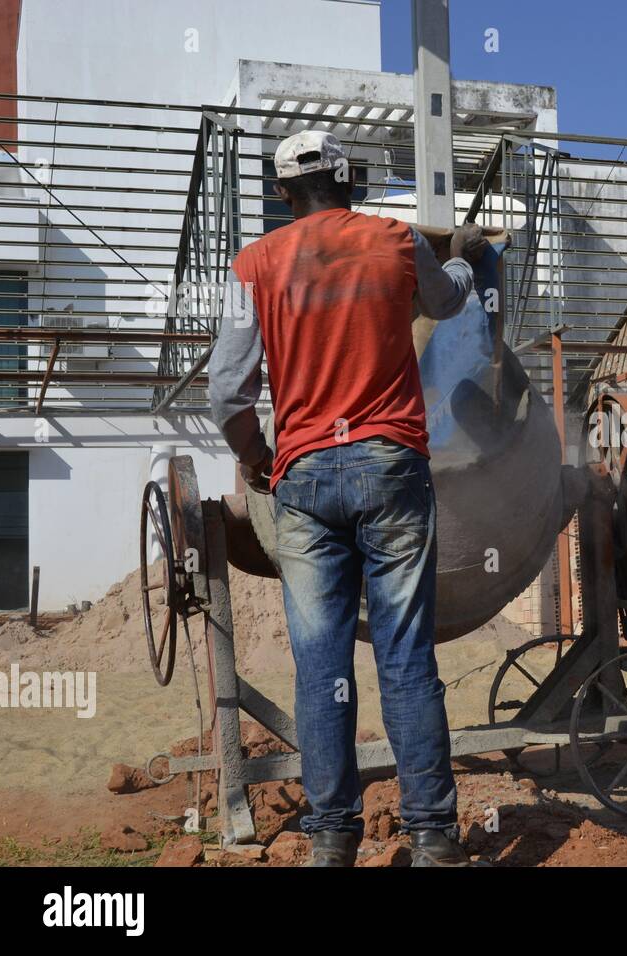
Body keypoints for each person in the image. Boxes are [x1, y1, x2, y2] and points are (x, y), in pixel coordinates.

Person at [208, 129, 489, 866]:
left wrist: (259, 459)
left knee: (322, 666)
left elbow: (225, 393)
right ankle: (432, 839)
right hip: (391, 467)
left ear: (282, 195)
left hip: (302, 481)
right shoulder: (396, 241)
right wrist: (463, 258)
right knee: (405, 658)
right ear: (350, 179)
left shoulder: (254, 266)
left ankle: (332, 839)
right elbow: (449, 301)